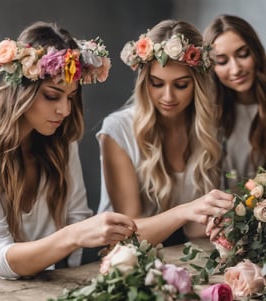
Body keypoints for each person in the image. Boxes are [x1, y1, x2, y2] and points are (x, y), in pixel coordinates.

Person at [0, 21, 137, 287]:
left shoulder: (60, 135)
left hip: (48, 275)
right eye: (52, 96)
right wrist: (74, 235)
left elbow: (76, 217)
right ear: (22, 87)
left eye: (71, 97)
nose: (65, 111)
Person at [97, 19, 233, 246]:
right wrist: (185, 211)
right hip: (126, 263)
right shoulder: (117, 130)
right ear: (144, 82)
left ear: (197, 84)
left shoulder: (208, 128)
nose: (168, 97)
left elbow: (197, 228)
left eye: (180, 85)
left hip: (187, 255)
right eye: (157, 83)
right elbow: (127, 236)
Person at [203, 14, 266, 190]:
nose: (236, 69)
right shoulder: (209, 113)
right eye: (222, 61)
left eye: (243, 54)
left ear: (256, 52)